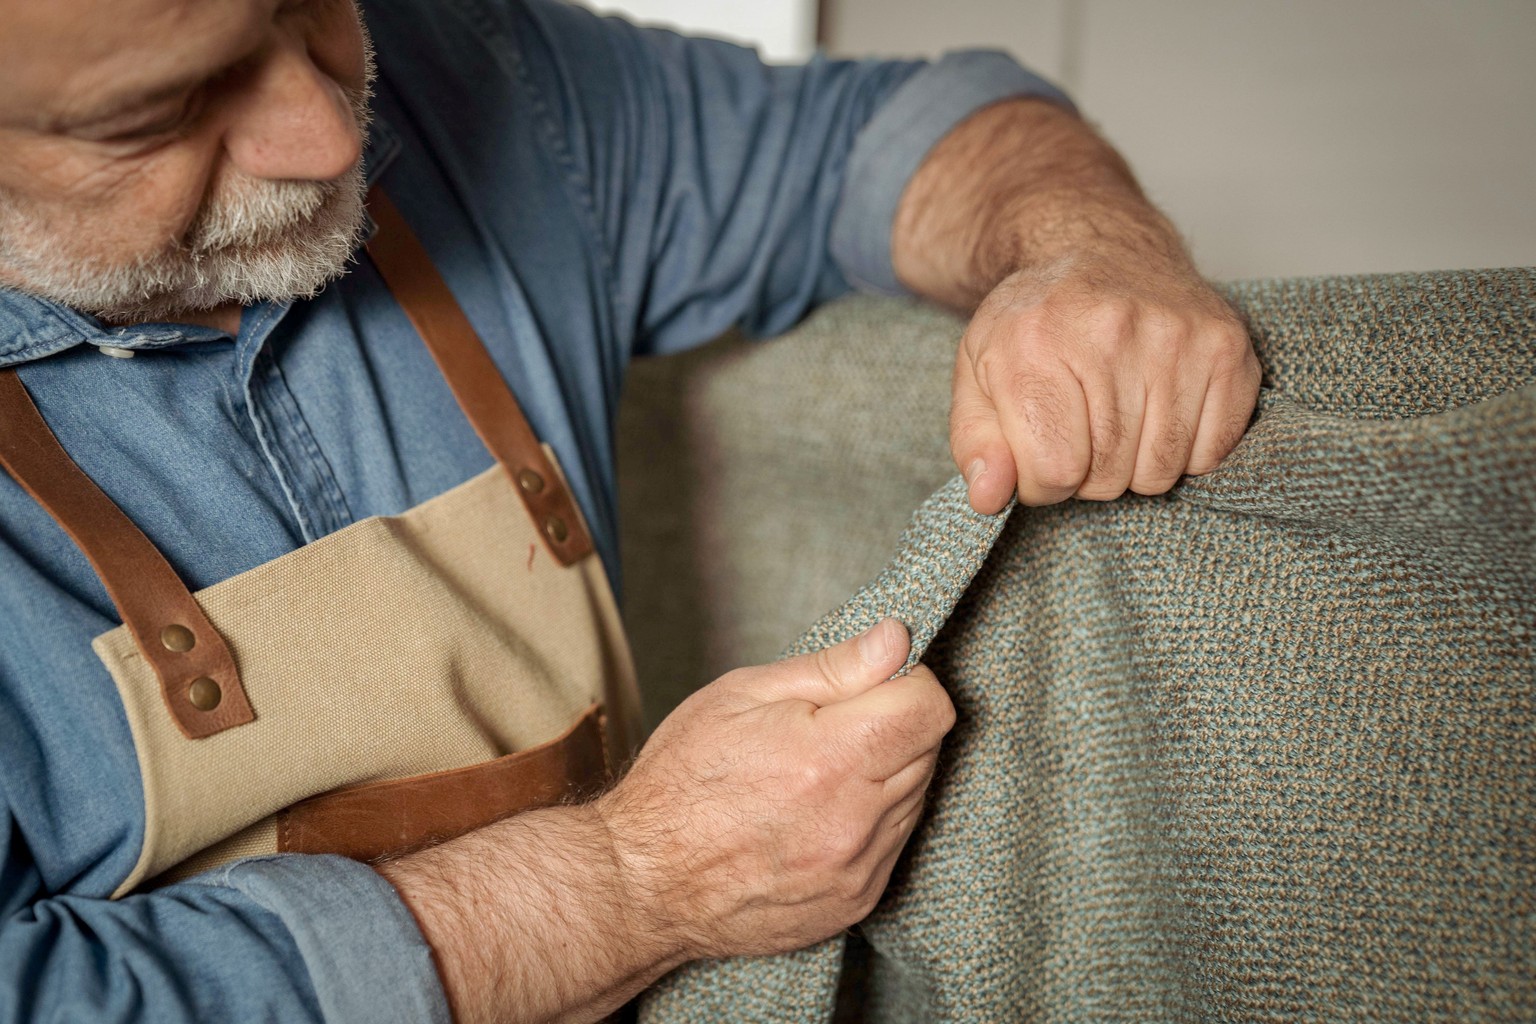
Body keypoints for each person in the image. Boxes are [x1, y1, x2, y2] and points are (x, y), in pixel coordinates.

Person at [0, 0, 1261, 1021]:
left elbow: (890, 133)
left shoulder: (469, 71)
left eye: (303, 5)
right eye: (159, 112)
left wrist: (1082, 244)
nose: (330, 135)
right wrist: (625, 881)